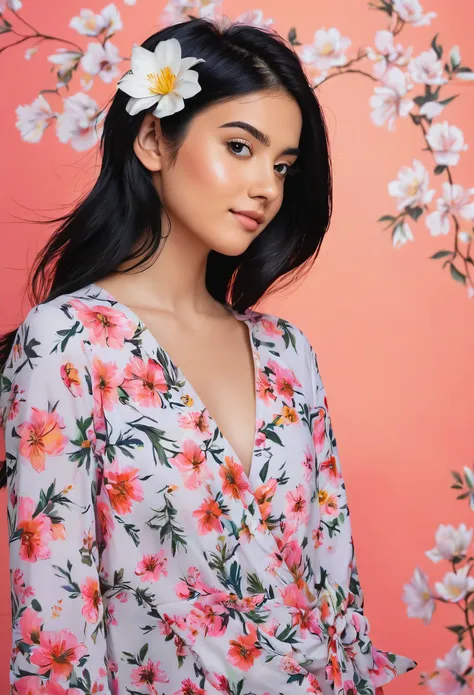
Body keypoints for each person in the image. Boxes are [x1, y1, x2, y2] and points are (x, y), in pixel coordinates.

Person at [0, 17, 417, 695]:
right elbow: (56, 642)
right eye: (240, 147)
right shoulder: (66, 344)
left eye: (282, 165)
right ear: (153, 139)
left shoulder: (288, 355)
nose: (267, 188)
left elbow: (337, 599)